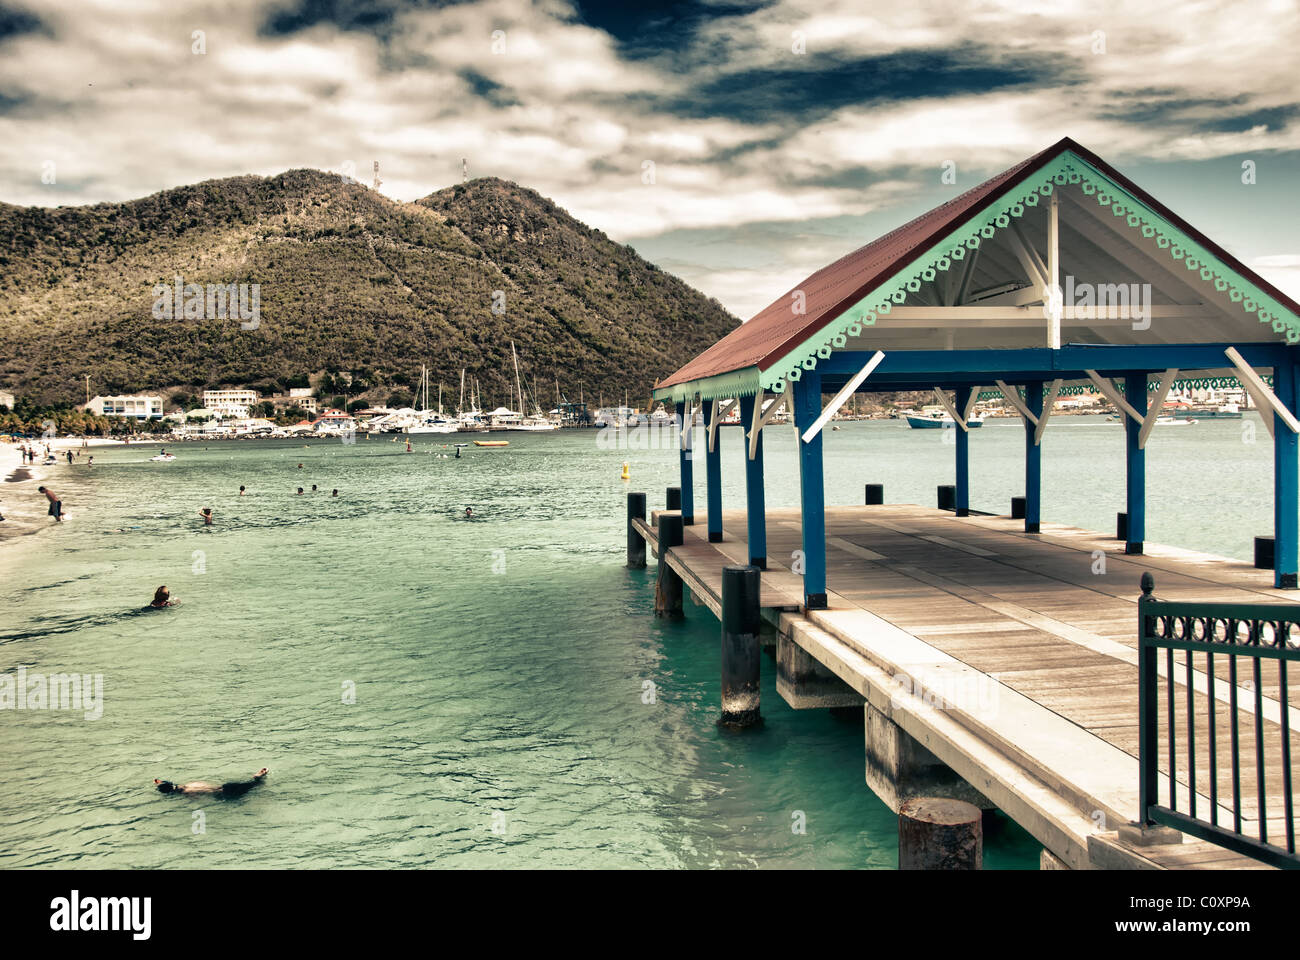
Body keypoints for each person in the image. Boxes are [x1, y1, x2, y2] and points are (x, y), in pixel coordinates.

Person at [155, 768, 268, 798]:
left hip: (225, 794)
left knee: (255, 786)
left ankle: (258, 778)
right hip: (225, 786)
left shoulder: (186, 793)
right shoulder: (190, 784)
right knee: (252, 785)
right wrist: (159, 782)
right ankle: (257, 777)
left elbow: (197, 799)